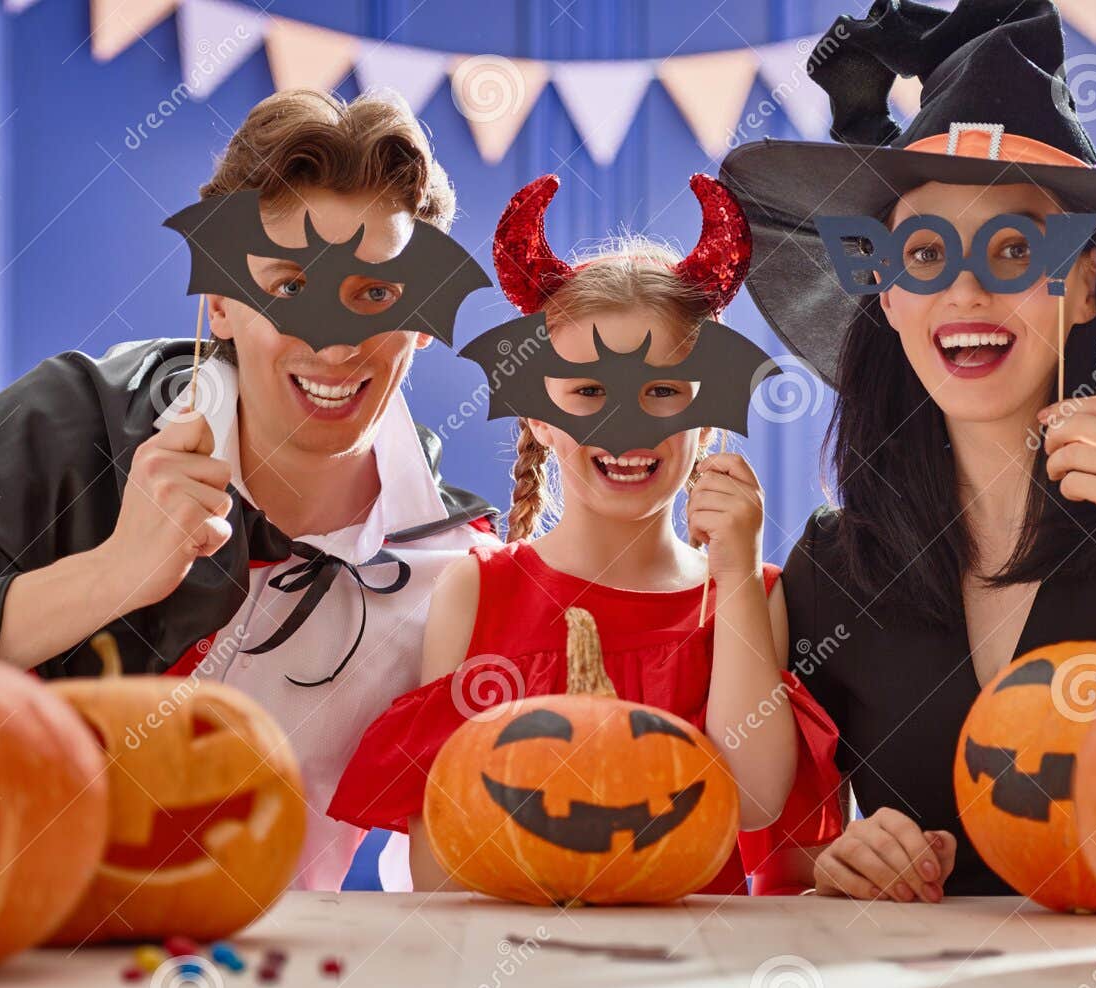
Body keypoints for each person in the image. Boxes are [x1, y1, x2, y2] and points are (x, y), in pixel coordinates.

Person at [0, 89, 498, 893]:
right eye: (289, 287)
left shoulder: (454, 573)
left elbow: (459, 861)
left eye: (376, 294)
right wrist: (115, 573)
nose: (334, 339)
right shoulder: (76, 420)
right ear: (218, 299)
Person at [720, 0, 1096, 900]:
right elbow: (780, 837)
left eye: (1013, 248)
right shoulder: (835, 567)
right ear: (883, 291)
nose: (963, 290)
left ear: (1084, 286)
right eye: (923, 252)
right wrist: (841, 865)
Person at [328, 174, 842, 893]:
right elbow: (441, 865)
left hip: (688, 978)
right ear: (539, 413)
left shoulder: (748, 595)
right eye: (589, 392)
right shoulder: (476, 591)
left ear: (706, 414)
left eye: (663, 391)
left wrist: (735, 571)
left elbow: (753, 799)